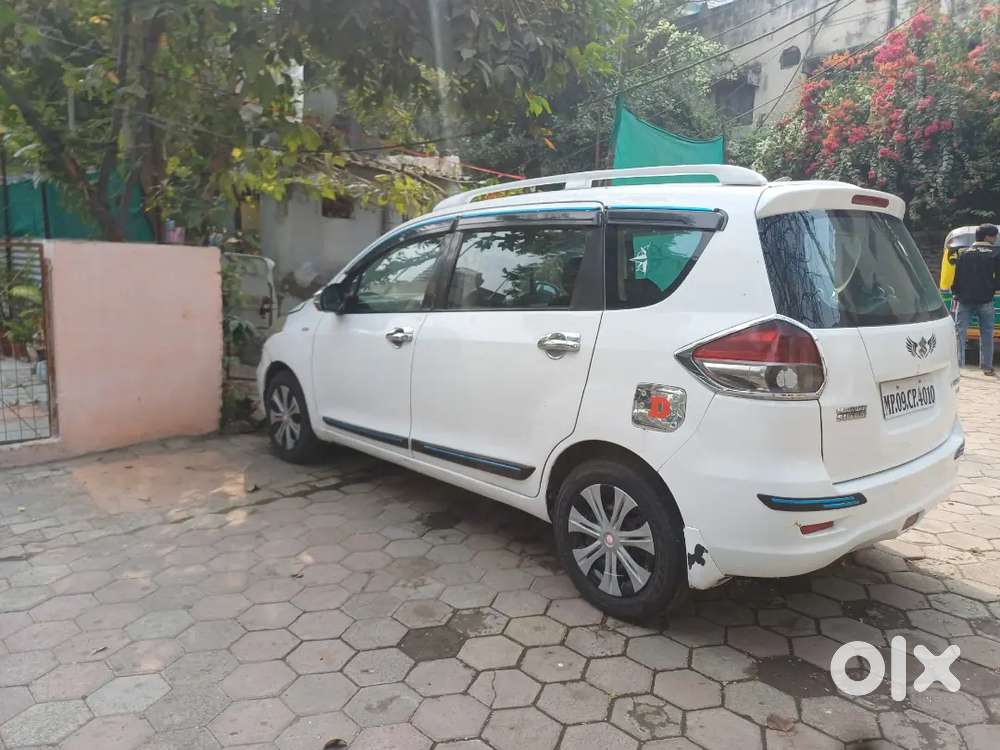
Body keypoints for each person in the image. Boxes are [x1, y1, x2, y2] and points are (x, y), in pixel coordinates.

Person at [952, 223, 999, 375]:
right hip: (985, 300)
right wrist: (991, 288)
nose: (996, 238)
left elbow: (957, 278)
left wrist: (957, 293)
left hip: (964, 300)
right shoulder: (995, 254)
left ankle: (959, 366)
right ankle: (987, 367)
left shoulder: (964, 253)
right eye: (994, 236)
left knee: (960, 332)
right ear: (987, 237)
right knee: (986, 334)